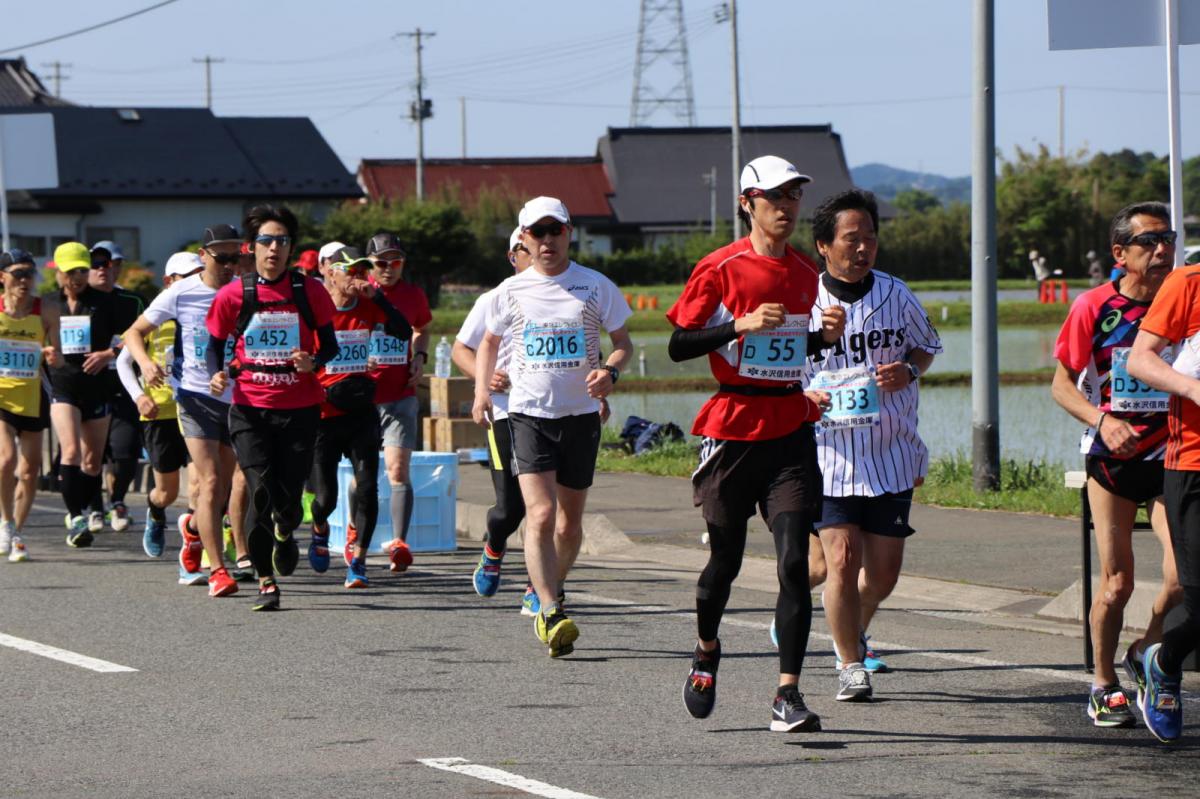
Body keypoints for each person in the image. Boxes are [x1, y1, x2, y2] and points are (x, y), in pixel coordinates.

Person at [666, 156, 845, 733]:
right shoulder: (720, 268)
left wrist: (823, 336)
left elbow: (795, 349)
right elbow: (678, 344)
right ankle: (706, 650)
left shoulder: (803, 271)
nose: (786, 207)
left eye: (793, 196)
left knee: (795, 563)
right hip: (732, 427)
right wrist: (738, 326)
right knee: (725, 562)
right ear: (748, 202)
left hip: (790, 428)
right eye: (775, 197)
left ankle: (787, 694)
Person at [796, 189, 942, 703]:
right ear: (823, 246)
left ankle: (852, 624)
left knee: (881, 576)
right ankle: (849, 663)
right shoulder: (804, 301)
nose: (864, 249)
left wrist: (907, 369)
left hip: (891, 451)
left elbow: (926, 349)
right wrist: (805, 391)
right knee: (841, 558)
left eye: (871, 239)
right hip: (829, 453)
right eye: (852, 239)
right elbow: (779, 366)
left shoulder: (896, 294)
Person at [472, 196, 633, 658]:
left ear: (568, 233)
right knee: (539, 515)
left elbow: (622, 342)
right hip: (528, 414)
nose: (546, 241)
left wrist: (611, 373)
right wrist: (483, 392)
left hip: (580, 416)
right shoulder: (510, 291)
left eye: (554, 231)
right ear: (523, 238)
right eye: (536, 233)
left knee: (569, 522)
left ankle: (552, 587)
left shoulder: (594, 286)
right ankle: (547, 609)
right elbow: (487, 343)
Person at [1052, 201, 1183, 730]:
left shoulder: (1184, 302)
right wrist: (1102, 420)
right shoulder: (1093, 306)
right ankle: (1103, 683)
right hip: (1113, 459)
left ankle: (1145, 649)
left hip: (1172, 455)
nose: (1161, 250)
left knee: (1180, 579)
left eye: (1167, 239)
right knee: (1117, 584)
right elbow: (1061, 385)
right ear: (1120, 253)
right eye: (1149, 242)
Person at [206, 205, 337, 611]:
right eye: (266, 240)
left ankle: (285, 530)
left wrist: (313, 362)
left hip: (299, 408)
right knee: (259, 491)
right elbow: (214, 345)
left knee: (288, 499)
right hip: (250, 409)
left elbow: (329, 345)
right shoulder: (235, 293)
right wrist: (217, 374)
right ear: (253, 247)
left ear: (291, 248)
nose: (274, 248)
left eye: (281, 240)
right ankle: (266, 580)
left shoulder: (308, 291)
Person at [124, 227, 249, 596]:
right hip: (194, 396)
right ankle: (219, 571)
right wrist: (145, 363)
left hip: (236, 397)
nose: (229, 265)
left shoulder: (246, 291)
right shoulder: (181, 291)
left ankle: (193, 530)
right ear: (203, 255)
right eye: (221, 257)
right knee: (208, 482)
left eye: (235, 257)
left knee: (223, 488)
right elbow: (134, 332)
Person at [1126, 210, 1199, 742]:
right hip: (1193, 464)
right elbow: (1140, 360)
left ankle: (1163, 658)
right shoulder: (1187, 283)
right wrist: (1194, 390)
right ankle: (1165, 662)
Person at [307, 246, 412, 589]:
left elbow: (402, 331)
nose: (357, 277)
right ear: (331, 273)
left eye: (361, 271)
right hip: (323, 415)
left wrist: (379, 299)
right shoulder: (314, 311)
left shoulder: (368, 305)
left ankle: (359, 560)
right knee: (325, 500)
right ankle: (320, 529)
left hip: (360, 413)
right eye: (350, 271)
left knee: (367, 487)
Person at [455, 227, 532, 600]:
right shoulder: (494, 298)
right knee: (511, 509)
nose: (532, 253)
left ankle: (542, 588)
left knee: (545, 508)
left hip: (553, 414)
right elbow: (461, 350)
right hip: (505, 413)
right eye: (523, 248)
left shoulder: (566, 294)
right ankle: (493, 546)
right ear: (512, 256)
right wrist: (484, 381)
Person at [45, 242, 119, 548]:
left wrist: (107, 353)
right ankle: (76, 518)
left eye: (81, 270)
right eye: (70, 271)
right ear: (59, 273)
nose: (76, 276)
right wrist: (45, 352)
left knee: (92, 462)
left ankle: (85, 506)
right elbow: (28, 338)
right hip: (63, 386)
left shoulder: (104, 303)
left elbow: (134, 337)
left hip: (97, 386)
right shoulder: (49, 305)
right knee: (72, 452)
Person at [366, 232, 432, 572]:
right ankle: (355, 536)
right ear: (369, 265)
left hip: (401, 393)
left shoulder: (412, 294)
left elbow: (422, 327)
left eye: (396, 262)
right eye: (381, 263)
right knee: (363, 473)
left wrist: (419, 355)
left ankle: (399, 542)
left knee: (397, 469)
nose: (389, 269)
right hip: (363, 396)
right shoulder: (359, 292)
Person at [0, 250, 60, 562]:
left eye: (29, 273)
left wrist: (51, 356)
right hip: (1, 395)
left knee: (30, 470)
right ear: (2, 277)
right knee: (6, 461)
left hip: (33, 394)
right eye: (17, 273)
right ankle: (6, 522)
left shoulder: (46, 310)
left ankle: (18, 532)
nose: (24, 280)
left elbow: (60, 358)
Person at [86, 241, 145, 533]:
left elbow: (144, 334)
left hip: (125, 385)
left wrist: (110, 354)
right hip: (87, 387)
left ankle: (118, 500)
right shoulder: (76, 303)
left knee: (126, 450)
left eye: (111, 264)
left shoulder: (133, 301)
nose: (104, 270)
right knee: (92, 453)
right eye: (97, 264)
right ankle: (95, 506)